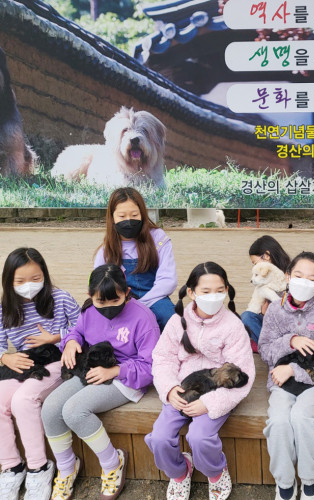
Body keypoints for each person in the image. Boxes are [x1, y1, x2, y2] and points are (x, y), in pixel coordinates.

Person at [41, 264, 160, 500]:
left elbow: (151, 366)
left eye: (115, 300)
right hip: (92, 369)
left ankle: (112, 463)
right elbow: (76, 331)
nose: (107, 307)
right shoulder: (88, 311)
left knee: (74, 411)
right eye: (100, 302)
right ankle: (67, 467)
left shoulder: (143, 317)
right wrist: (71, 342)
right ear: (90, 295)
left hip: (127, 378)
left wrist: (116, 370)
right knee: (50, 409)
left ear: (127, 292)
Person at [145, 262, 255, 500]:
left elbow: (243, 375)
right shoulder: (177, 321)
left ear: (226, 290)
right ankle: (179, 472)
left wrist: (209, 404)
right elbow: (163, 358)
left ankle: (215, 472)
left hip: (217, 392)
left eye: (219, 290)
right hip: (183, 388)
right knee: (160, 437)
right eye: (206, 291)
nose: (213, 296)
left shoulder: (233, 326)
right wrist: (169, 388)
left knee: (200, 437)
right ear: (191, 292)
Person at [0, 248, 80, 500]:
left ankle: (39, 467)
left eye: (35, 278)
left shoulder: (61, 298)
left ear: (44, 274)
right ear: (9, 281)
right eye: (20, 281)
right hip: (23, 361)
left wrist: (57, 337)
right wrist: (4, 357)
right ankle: (11, 467)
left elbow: (84, 326)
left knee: (23, 400)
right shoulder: (5, 307)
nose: (28, 285)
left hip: (56, 359)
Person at [259, 251, 314, 500]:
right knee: (278, 422)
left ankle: (311, 482)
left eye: (312, 279)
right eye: (298, 275)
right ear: (288, 276)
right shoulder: (275, 310)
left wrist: (294, 369)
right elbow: (265, 350)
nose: (304, 282)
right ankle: (285, 483)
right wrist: (290, 341)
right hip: (282, 383)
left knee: (302, 418)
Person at [94, 187, 177, 331]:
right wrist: (122, 304)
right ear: (112, 218)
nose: (128, 220)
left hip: (155, 298)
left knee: (170, 319)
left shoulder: (158, 238)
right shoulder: (106, 250)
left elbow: (168, 280)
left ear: (142, 214)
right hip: (121, 301)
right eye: (122, 216)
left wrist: (142, 305)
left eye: (134, 215)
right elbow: (98, 285)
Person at [241, 235, 291, 345]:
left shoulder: (290, 273)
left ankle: (267, 345)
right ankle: (269, 345)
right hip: (269, 322)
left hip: (288, 321)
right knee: (246, 317)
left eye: (255, 263)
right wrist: (264, 314)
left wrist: (269, 312)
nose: (255, 266)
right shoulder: (263, 278)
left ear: (266, 256)